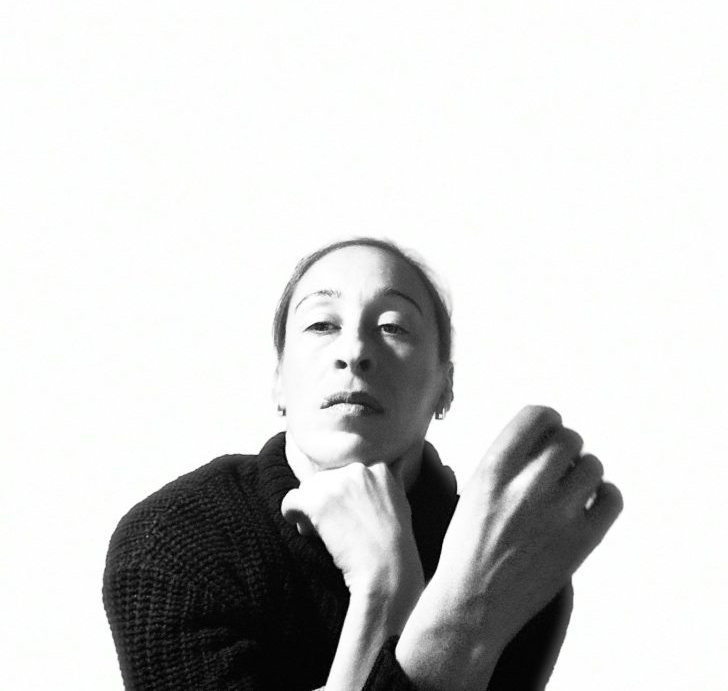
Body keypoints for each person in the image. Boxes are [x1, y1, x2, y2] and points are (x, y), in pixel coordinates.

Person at [103, 237, 623, 690]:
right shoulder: (175, 541)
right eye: (321, 325)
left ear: (444, 387)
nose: (353, 351)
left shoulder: (512, 556)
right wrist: (391, 587)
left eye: (394, 327)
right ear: (278, 380)